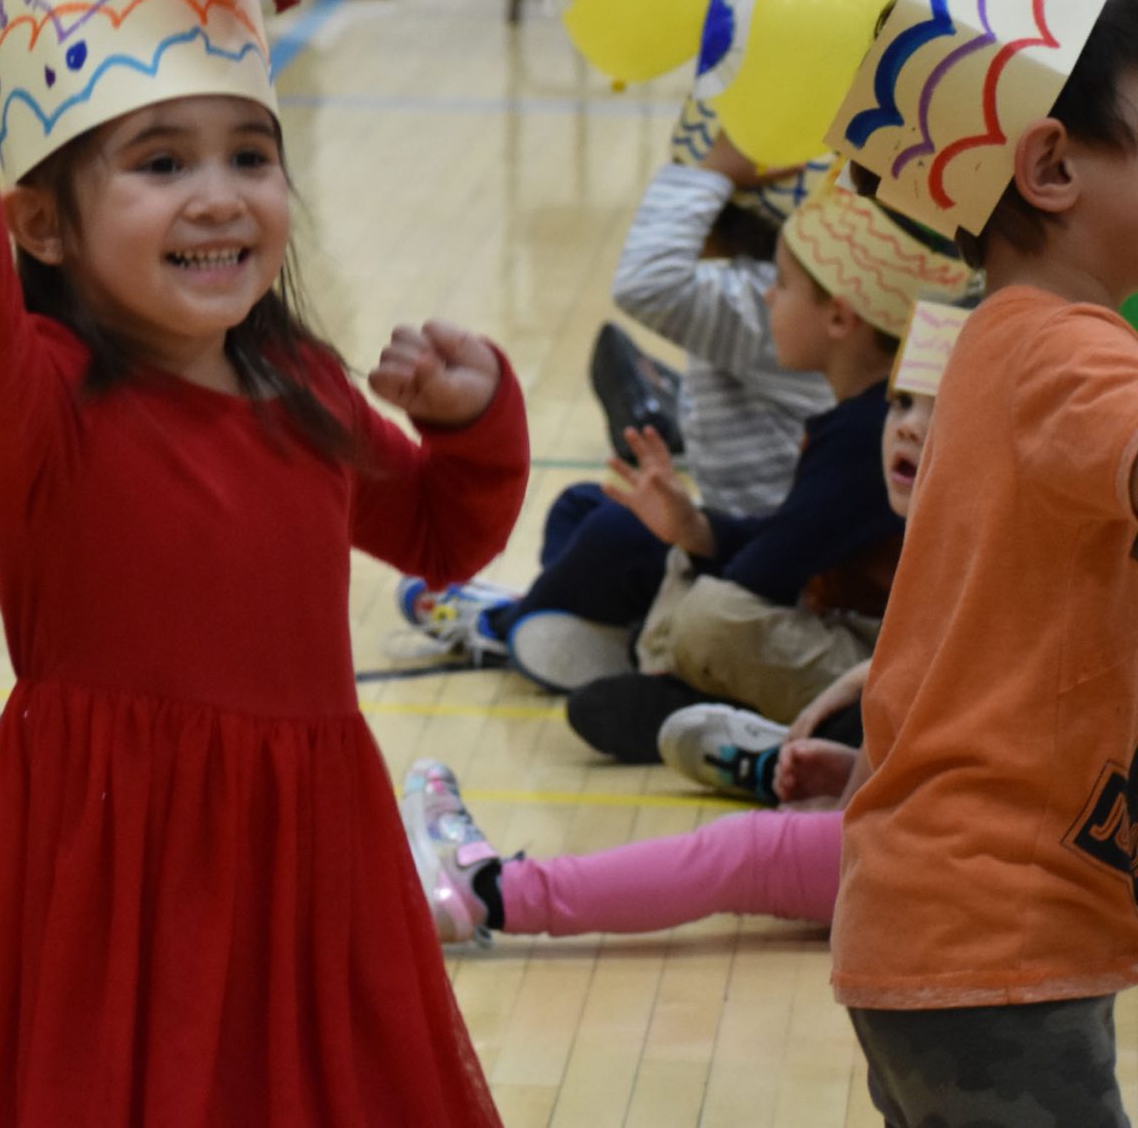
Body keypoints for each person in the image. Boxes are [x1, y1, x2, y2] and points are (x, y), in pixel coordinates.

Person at [0, 0, 530, 1122]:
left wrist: (473, 419)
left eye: (250, 155)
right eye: (161, 163)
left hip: (314, 859)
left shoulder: (306, 386)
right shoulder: (43, 409)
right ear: (44, 228)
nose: (219, 194)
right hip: (121, 877)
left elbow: (441, 535)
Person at [398, 315, 954, 953]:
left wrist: (859, 783)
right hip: (947, 845)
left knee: (743, 850)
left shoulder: (982, 565)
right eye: (900, 402)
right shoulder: (947, 547)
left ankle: (489, 891)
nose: (907, 424)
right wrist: (856, 770)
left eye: (940, 410)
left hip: (956, 873)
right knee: (598, 518)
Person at [829, 0, 1138, 1124]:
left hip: (945, 922)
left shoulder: (996, 342)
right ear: (1052, 167)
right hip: (992, 929)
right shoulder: (1065, 356)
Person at [548, 184, 969, 763]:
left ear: (840, 317)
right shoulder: (858, 415)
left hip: (903, 668)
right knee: (678, 547)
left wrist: (709, 544)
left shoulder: (862, 433)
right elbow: (777, 546)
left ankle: (706, 711)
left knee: (714, 617)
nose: (769, 297)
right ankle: (692, 702)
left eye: (783, 284)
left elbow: (760, 575)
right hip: (871, 642)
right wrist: (697, 529)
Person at [402, 120, 832, 687]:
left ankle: (508, 626)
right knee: (581, 508)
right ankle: (595, 626)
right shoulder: (781, 295)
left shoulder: (760, 300)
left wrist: (706, 174)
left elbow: (644, 283)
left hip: (754, 563)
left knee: (612, 534)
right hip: (731, 531)